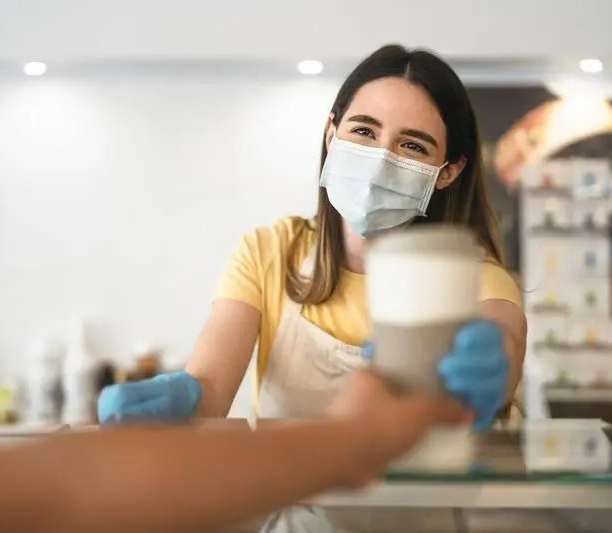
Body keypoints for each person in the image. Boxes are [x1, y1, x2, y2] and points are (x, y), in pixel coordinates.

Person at [99, 44, 526, 429]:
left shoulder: (475, 278)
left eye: (412, 146)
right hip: (294, 512)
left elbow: (503, 341)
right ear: (331, 133)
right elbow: (209, 389)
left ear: (447, 171)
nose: (380, 160)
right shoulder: (270, 251)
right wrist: (183, 399)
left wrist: (495, 366)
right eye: (364, 131)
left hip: (424, 516)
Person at [1, 371, 470, 533]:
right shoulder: (272, 249)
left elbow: (61, 490)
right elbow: (64, 493)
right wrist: (354, 439)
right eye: (363, 135)